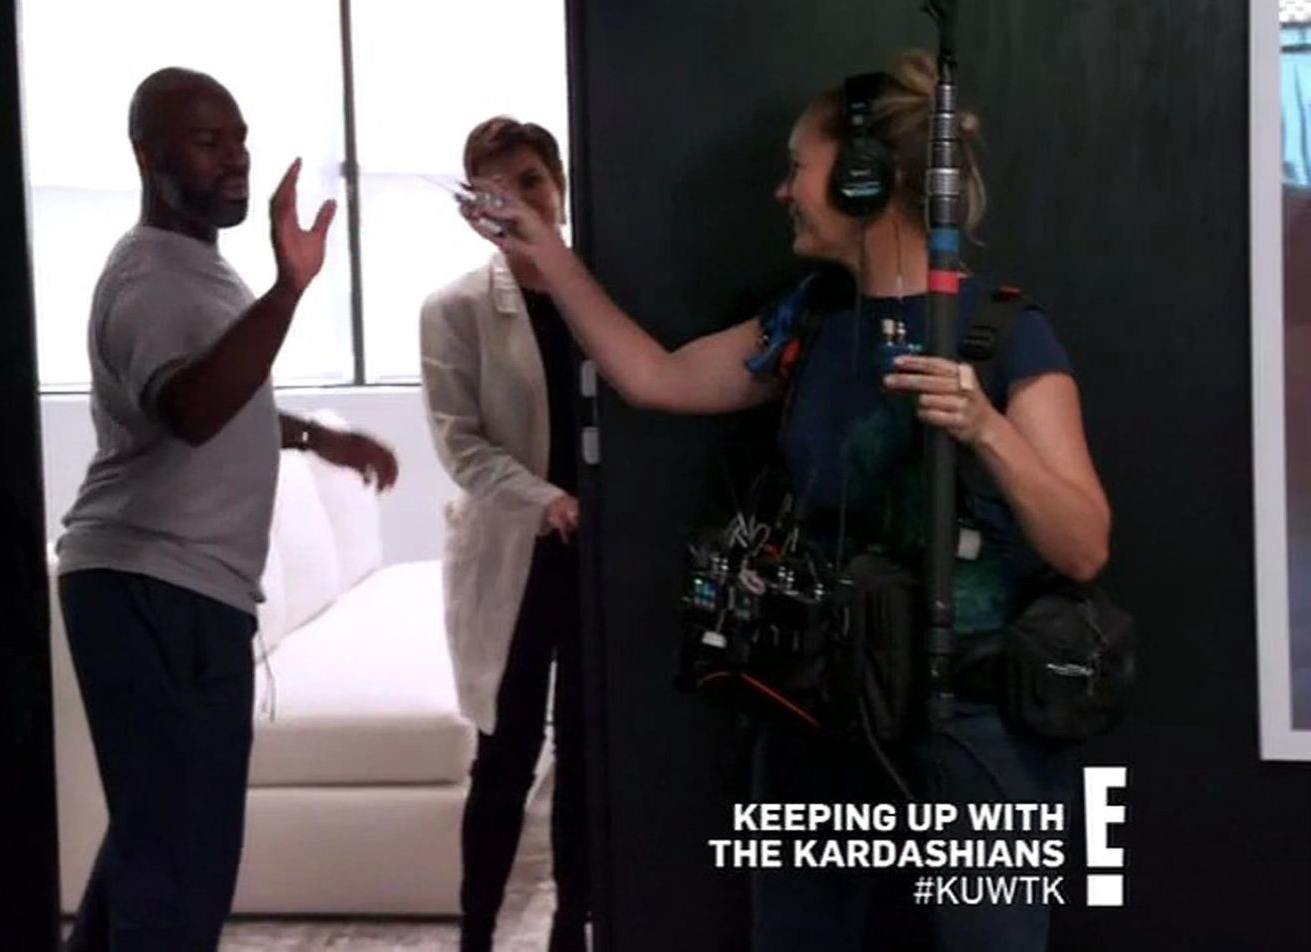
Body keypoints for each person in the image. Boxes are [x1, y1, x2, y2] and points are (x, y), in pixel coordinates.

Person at [461, 50, 1111, 952]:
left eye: (797, 168)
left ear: (861, 176)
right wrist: (547, 252)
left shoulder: (1005, 334)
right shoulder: (806, 319)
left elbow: (1083, 545)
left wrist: (986, 428)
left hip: (970, 723)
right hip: (817, 715)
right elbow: (656, 377)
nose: (783, 192)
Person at [55, 67, 400, 952]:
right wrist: (288, 291)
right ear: (148, 156)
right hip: (153, 589)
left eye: (239, 139)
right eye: (209, 143)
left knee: (154, 848)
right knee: (180, 867)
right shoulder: (150, 278)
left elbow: (221, 398)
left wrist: (313, 439)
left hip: (168, 592)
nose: (236, 160)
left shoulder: (195, 270)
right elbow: (191, 408)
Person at [420, 117, 588, 952]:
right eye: (494, 190)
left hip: (597, 559)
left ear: (560, 187)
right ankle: (477, 935)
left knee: (588, 758)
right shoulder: (455, 309)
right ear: (472, 208)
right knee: (505, 758)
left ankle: (570, 928)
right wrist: (548, 499)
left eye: (531, 181)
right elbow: (461, 444)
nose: (518, 201)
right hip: (518, 553)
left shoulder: (599, 293)